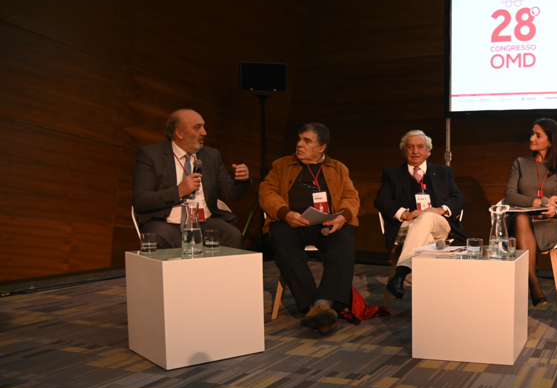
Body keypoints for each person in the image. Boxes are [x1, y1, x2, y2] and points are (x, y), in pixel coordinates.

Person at [259, 123, 359, 333]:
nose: (299, 144)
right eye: (299, 139)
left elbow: (351, 197)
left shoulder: (338, 168)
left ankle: (322, 304)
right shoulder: (281, 165)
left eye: (307, 141)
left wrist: (343, 217)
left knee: (344, 241)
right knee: (283, 245)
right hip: (291, 222)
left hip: (326, 223)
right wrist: (286, 213)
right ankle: (317, 307)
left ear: (321, 147)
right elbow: (267, 193)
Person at [133, 109, 250, 248]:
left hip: (205, 222)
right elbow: (141, 201)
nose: (204, 132)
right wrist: (179, 191)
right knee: (158, 237)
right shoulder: (151, 155)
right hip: (166, 223)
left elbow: (230, 193)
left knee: (233, 236)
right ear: (179, 133)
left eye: (203, 126)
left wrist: (242, 180)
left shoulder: (211, 155)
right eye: (197, 127)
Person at [375, 130, 467, 300]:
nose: (415, 151)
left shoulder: (443, 172)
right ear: (404, 150)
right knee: (428, 240)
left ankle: (400, 273)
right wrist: (404, 214)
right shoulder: (392, 173)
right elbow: (381, 200)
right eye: (410, 147)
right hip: (406, 225)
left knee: (426, 217)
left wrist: (440, 210)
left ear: (428, 151)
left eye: (420, 147)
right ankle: (433, 297)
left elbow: (459, 198)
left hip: (439, 224)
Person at [504, 118, 557, 306]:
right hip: (519, 223)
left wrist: (553, 210)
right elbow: (510, 196)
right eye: (532, 134)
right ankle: (534, 282)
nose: (531, 138)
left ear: (551, 141)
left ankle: (531, 283)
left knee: (522, 219)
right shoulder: (520, 163)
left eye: (538, 135)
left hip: (546, 224)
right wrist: (542, 202)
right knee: (520, 218)